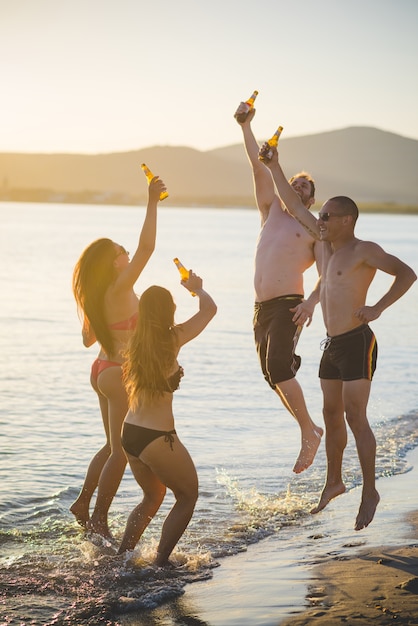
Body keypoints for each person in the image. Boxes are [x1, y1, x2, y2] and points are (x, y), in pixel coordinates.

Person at [262, 141, 417, 530]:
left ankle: (370, 491)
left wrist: (379, 307)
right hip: (331, 344)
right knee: (331, 414)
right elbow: (293, 204)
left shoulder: (364, 250)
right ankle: (335, 481)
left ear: (346, 219)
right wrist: (275, 164)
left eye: (328, 215)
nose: (321, 220)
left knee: (354, 417)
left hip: (357, 341)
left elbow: (407, 274)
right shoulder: (326, 247)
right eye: (322, 215)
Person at [70, 175, 167, 539]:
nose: (127, 254)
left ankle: (83, 503)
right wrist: (152, 201)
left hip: (101, 370)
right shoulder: (122, 286)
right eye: (120, 252)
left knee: (113, 446)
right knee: (122, 452)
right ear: (114, 264)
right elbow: (147, 248)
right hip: (118, 373)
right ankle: (98, 518)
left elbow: (86, 340)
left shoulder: (99, 296)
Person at [234, 101, 323, 474]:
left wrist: (312, 304)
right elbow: (258, 167)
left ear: (310, 199)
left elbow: (327, 273)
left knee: (277, 368)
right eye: (294, 180)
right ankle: (310, 428)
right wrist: (245, 127)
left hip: (289, 305)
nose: (297, 184)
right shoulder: (270, 209)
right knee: (272, 375)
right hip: (260, 308)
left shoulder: (313, 227)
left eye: (304, 184)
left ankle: (309, 432)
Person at [117, 271, 217, 566]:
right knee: (188, 496)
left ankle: (121, 558)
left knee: (152, 497)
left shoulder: (134, 343)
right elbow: (209, 310)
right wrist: (197, 288)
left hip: (131, 433)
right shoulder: (172, 338)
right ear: (169, 311)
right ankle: (160, 563)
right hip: (157, 438)